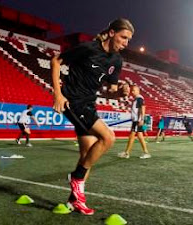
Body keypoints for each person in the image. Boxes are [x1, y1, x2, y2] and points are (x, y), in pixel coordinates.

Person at [51, 18, 133, 215]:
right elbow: (56, 61)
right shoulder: (88, 48)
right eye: (123, 37)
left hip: (89, 104)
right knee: (108, 137)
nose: (126, 43)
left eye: (129, 40)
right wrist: (58, 94)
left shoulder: (116, 61)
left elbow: (109, 91)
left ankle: (74, 201)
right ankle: (77, 177)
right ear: (112, 33)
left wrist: (119, 92)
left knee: (87, 155)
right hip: (72, 101)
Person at [118, 85, 151, 159]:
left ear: (138, 91)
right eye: (132, 90)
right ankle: (145, 152)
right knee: (139, 136)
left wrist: (142, 119)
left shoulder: (139, 98)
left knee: (132, 136)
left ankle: (127, 153)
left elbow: (142, 108)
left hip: (137, 121)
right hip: (136, 120)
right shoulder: (136, 99)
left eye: (134, 90)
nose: (132, 92)